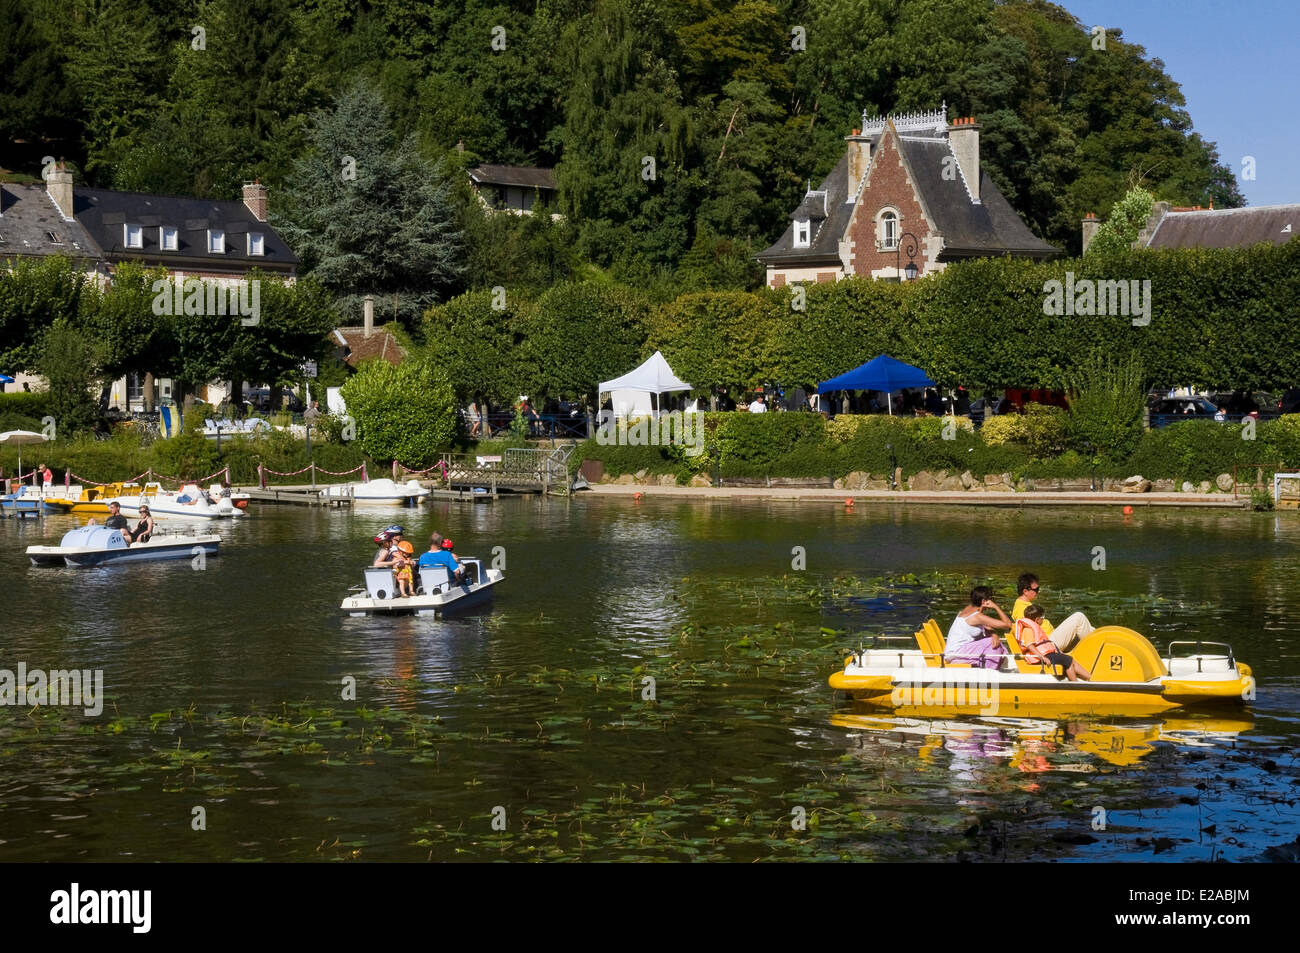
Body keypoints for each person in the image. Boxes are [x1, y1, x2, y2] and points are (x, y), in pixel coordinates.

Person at [1011, 572, 1094, 653]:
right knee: (1078, 617)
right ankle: (1095, 650)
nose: (1038, 591)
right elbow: (1028, 634)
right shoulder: (1022, 609)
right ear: (1025, 591)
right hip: (1048, 643)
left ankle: (1098, 649)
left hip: (1051, 639)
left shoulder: (1024, 605)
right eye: (1036, 589)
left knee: (1089, 629)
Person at [1014, 604, 1091, 681]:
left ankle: (1090, 677)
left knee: (1069, 659)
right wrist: (1043, 658)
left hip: (1046, 654)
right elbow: (1030, 646)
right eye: (1042, 617)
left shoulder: (1033, 628)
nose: (1043, 620)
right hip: (1040, 658)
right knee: (1068, 660)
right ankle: (1075, 684)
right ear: (1037, 619)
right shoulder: (1028, 630)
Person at [943, 585, 1011, 668]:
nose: (993, 602)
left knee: (992, 641)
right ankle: (991, 672)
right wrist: (996, 607)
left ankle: (991, 667)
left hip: (954, 651)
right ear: (983, 601)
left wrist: (994, 634)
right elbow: (1008, 625)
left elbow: (986, 626)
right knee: (992, 644)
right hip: (956, 654)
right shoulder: (977, 617)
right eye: (991, 600)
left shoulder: (967, 609)